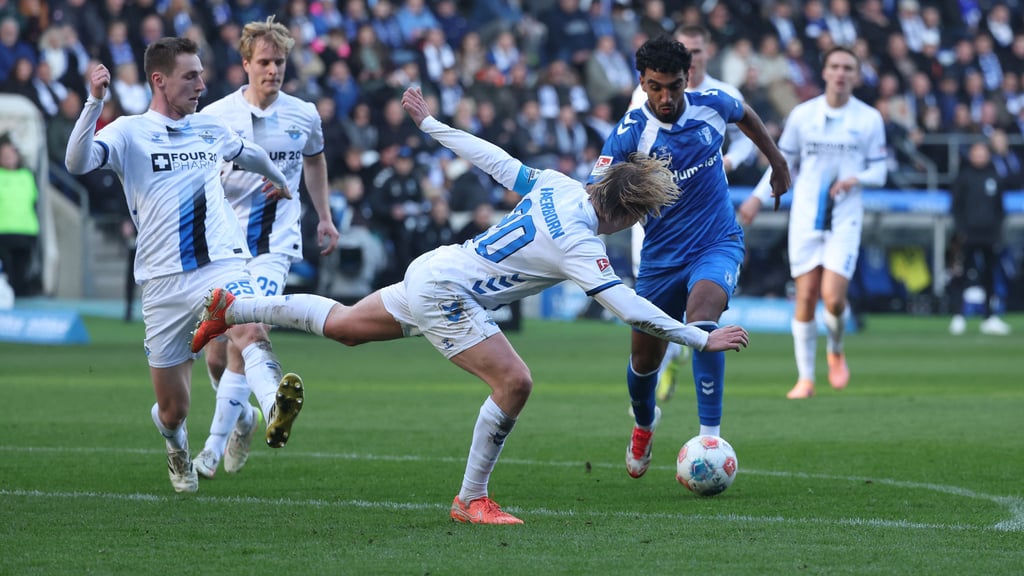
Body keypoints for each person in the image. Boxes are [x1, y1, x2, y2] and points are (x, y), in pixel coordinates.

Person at [190, 86, 751, 524]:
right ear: (627, 213)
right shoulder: (581, 244)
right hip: (449, 294)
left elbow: (497, 161)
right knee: (515, 383)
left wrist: (432, 125)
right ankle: (472, 498)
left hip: (438, 265)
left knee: (345, 327)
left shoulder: (559, 184)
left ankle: (232, 310)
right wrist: (701, 336)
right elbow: (629, 308)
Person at [64, 37, 305, 493]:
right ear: (160, 80)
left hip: (221, 261)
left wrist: (278, 179)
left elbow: (247, 153)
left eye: (200, 73)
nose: (202, 83)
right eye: (190, 76)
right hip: (161, 282)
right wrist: (94, 104)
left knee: (249, 327)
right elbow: (77, 163)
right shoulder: (128, 131)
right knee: (174, 409)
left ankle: (276, 403)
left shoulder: (208, 127)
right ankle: (176, 447)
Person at [591, 35, 790, 480]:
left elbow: (749, 118)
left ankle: (709, 439)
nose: (666, 97)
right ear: (641, 82)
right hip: (660, 259)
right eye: (656, 87)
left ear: (688, 79)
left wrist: (777, 163)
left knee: (703, 319)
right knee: (644, 361)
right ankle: (645, 424)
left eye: (675, 86)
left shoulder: (713, 104)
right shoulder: (628, 133)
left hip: (717, 241)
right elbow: (595, 195)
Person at [192, 17, 340, 480]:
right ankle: (245, 422)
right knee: (219, 354)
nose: (272, 70)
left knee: (248, 328)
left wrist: (325, 217)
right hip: (224, 244)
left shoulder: (304, 114)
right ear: (245, 64)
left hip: (275, 244)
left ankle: (222, 443)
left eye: (279, 62)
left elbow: (314, 162)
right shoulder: (215, 116)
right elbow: (196, 175)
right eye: (264, 62)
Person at [738, 46, 888, 399]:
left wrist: (856, 179)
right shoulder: (804, 116)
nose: (840, 73)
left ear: (856, 74)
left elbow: (881, 169)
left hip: (844, 219)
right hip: (806, 217)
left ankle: (835, 348)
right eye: (835, 66)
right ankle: (805, 379)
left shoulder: (868, 119)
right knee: (805, 297)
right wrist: (758, 196)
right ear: (824, 72)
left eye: (848, 67)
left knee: (833, 299)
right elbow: (781, 161)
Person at [627, 25, 758, 404]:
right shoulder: (639, 108)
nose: (695, 57)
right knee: (646, 344)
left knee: (701, 312)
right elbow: (621, 164)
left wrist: (731, 159)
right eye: (689, 50)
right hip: (657, 230)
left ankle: (709, 432)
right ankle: (652, 396)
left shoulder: (720, 95)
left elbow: (747, 131)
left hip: (708, 224)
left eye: (699, 51)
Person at [947, 141, 1011, 336]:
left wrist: (998, 230)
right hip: (968, 235)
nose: (980, 157)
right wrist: (961, 231)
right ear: (971, 155)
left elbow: (1000, 208)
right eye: (977, 153)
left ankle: (989, 317)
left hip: (989, 235)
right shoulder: (963, 177)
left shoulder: (994, 176)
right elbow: (956, 208)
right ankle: (958, 315)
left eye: (983, 153)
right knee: (962, 274)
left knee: (989, 276)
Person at [0, 137, 40, 297]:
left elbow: (33, 200)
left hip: (25, 229)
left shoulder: (27, 175)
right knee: (5, 271)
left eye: (11, 154)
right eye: (4, 155)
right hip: (3, 230)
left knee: (21, 270)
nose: (8, 158)